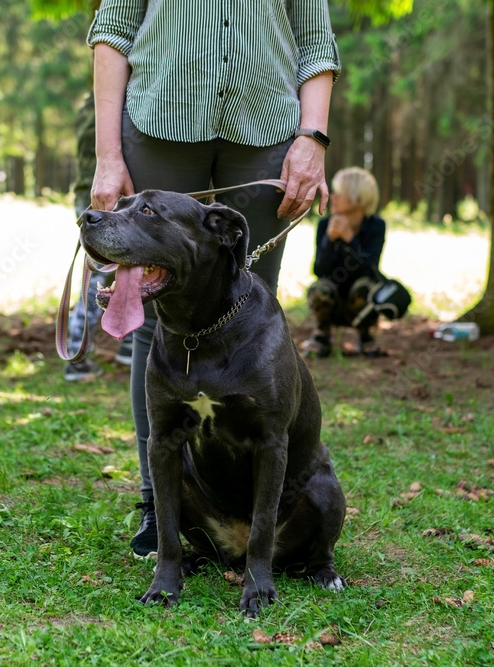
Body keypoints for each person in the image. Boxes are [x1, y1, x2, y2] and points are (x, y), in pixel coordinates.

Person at [86, 1, 341, 559]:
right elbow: (113, 30)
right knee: (156, 319)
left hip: (267, 129)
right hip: (160, 120)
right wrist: (109, 156)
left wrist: (312, 137)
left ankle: (259, 509)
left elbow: (315, 41)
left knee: (253, 315)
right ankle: (162, 505)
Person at [63, 91, 132, 382]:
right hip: (106, 196)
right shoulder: (111, 102)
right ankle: (77, 355)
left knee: (124, 269)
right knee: (98, 275)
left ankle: (128, 345)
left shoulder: (90, 103)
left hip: (94, 194)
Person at [301, 167, 387, 359]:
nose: (333, 197)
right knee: (319, 289)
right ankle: (322, 334)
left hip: (359, 298)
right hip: (333, 297)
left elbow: (370, 268)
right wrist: (329, 242)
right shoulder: (325, 225)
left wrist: (350, 240)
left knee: (367, 287)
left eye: (339, 192)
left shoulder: (376, 226)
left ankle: (365, 335)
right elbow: (319, 270)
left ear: (357, 198)